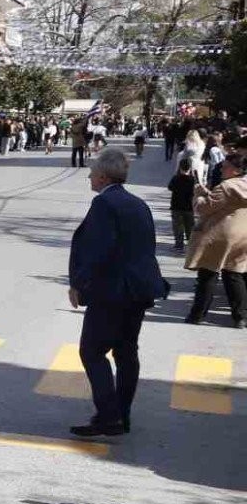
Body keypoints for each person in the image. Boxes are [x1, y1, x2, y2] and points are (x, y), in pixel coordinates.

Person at [67, 148, 169, 438]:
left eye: (91, 172)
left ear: (102, 175)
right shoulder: (138, 204)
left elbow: (96, 251)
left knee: (92, 351)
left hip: (111, 292)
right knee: (126, 352)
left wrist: (79, 285)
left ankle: (109, 415)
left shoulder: (104, 204)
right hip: (137, 290)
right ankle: (121, 414)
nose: (88, 177)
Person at [184, 153, 247, 327]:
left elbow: (203, 208)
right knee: (234, 274)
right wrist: (209, 193)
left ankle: (197, 315)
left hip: (220, 234)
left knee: (208, 273)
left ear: (237, 170)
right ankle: (240, 317)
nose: (221, 170)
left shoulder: (226, 186)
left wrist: (198, 195)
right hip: (242, 235)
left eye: (226, 167)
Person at [167, 154, 202, 250]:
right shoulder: (193, 179)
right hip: (189, 206)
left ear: (180, 167)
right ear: (190, 168)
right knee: (189, 226)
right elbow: (198, 189)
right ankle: (191, 244)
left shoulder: (176, 178)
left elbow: (170, 187)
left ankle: (179, 244)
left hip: (176, 206)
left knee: (178, 226)